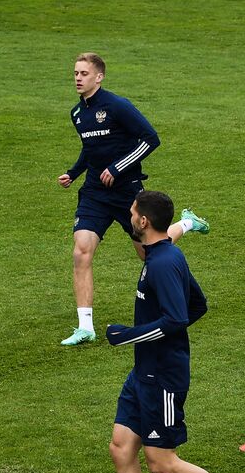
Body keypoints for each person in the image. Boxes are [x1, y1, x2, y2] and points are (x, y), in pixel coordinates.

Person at [93, 191, 245, 473]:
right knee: (121, 449)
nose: (129, 214)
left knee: (162, 463)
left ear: (143, 222)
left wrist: (127, 335)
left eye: (132, 211)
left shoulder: (163, 263)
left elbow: (175, 318)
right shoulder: (161, 253)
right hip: (144, 372)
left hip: (163, 379)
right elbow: (196, 305)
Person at [58, 53, 208, 347]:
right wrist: (73, 173)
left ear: (99, 77)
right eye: (75, 73)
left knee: (147, 254)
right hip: (94, 193)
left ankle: (187, 223)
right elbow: (90, 149)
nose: (78, 78)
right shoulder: (78, 113)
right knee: (81, 251)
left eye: (84, 73)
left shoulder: (118, 106)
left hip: (128, 192)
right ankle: (85, 326)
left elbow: (150, 138)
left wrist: (118, 167)